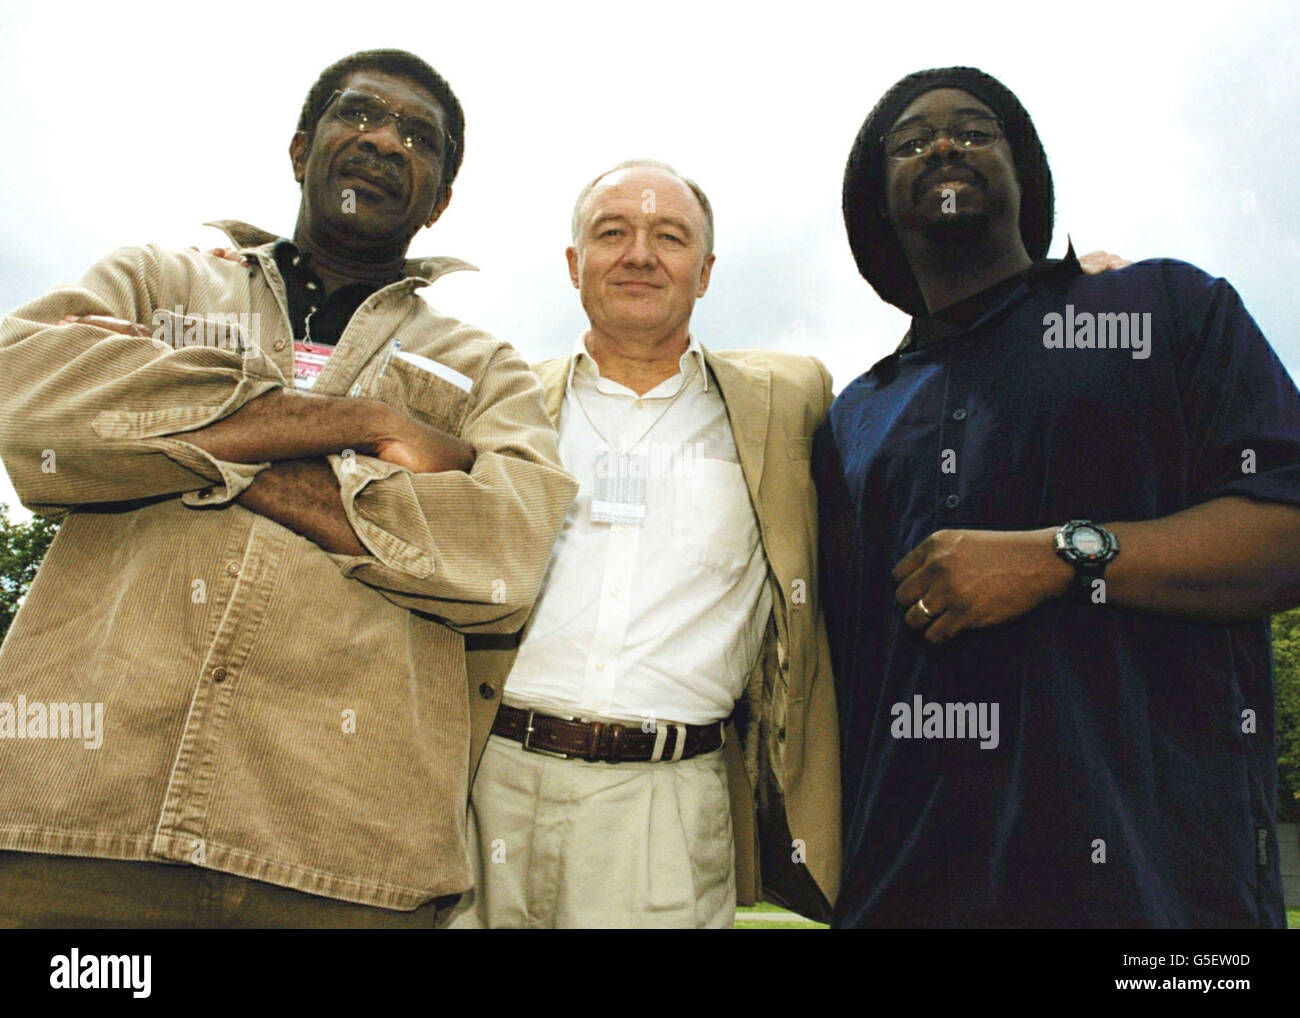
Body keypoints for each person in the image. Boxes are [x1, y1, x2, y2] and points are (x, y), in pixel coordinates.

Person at [0, 49, 576, 928]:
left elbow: (506, 553)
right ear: (302, 150)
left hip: (344, 861)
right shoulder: (158, 280)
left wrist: (175, 430)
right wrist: (367, 427)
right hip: (71, 826)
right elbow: (27, 401)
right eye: (359, 115)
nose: (384, 140)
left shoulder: (484, 368)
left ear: (442, 200)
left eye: (418, 137)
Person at [817, 65, 1300, 928]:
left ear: (1023, 178)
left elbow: (1286, 531)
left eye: (975, 130)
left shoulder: (1164, 309)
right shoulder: (855, 416)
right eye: (910, 141)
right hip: (906, 892)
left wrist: (1063, 557)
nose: (942, 144)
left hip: (1158, 899)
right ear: (877, 205)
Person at [449, 160, 840, 927]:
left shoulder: (788, 401)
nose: (639, 254)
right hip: (487, 785)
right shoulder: (501, 401)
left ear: (705, 272)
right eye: (612, 233)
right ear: (574, 264)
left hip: (667, 807)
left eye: (669, 236)